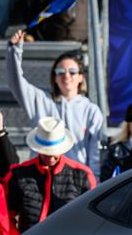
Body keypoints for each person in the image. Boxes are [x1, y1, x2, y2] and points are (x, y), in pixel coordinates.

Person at [6, 32, 103, 175]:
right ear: (55, 78)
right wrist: (14, 51)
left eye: (72, 72)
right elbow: (16, 82)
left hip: (76, 179)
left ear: (81, 77)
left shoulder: (91, 110)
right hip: (41, 176)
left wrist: (94, 181)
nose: (66, 76)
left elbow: (95, 153)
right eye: (61, 72)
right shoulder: (40, 100)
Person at [4, 117, 97, 235]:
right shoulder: (18, 174)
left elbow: (91, 218)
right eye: (46, 153)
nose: (51, 158)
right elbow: (7, 216)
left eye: (54, 152)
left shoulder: (83, 175)